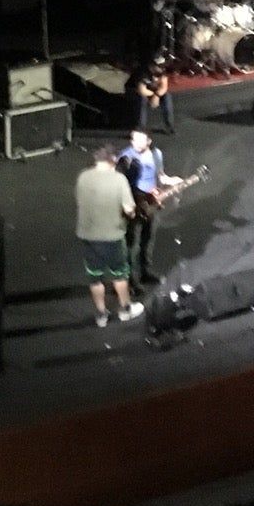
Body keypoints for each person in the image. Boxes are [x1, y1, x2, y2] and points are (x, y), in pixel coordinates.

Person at [75, 145, 145, 327]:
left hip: (88, 237)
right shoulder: (118, 179)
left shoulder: (83, 176)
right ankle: (125, 309)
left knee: (95, 277)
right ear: (112, 160)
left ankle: (101, 314)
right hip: (112, 237)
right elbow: (129, 210)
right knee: (120, 275)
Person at [116, 128, 182, 288]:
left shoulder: (156, 155)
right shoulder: (125, 157)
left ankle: (144, 272)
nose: (135, 143)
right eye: (133, 140)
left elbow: (160, 176)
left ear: (149, 141)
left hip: (150, 204)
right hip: (132, 204)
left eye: (140, 140)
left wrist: (172, 181)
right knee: (130, 244)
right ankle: (131, 280)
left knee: (147, 240)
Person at [126, 60, 173, 133]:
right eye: (159, 66)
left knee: (167, 96)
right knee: (142, 98)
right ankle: (140, 128)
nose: (162, 68)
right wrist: (154, 95)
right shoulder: (143, 72)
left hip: (150, 91)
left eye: (163, 66)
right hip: (134, 91)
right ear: (152, 66)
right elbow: (141, 90)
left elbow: (164, 87)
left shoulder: (162, 72)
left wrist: (157, 96)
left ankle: (169, 126)